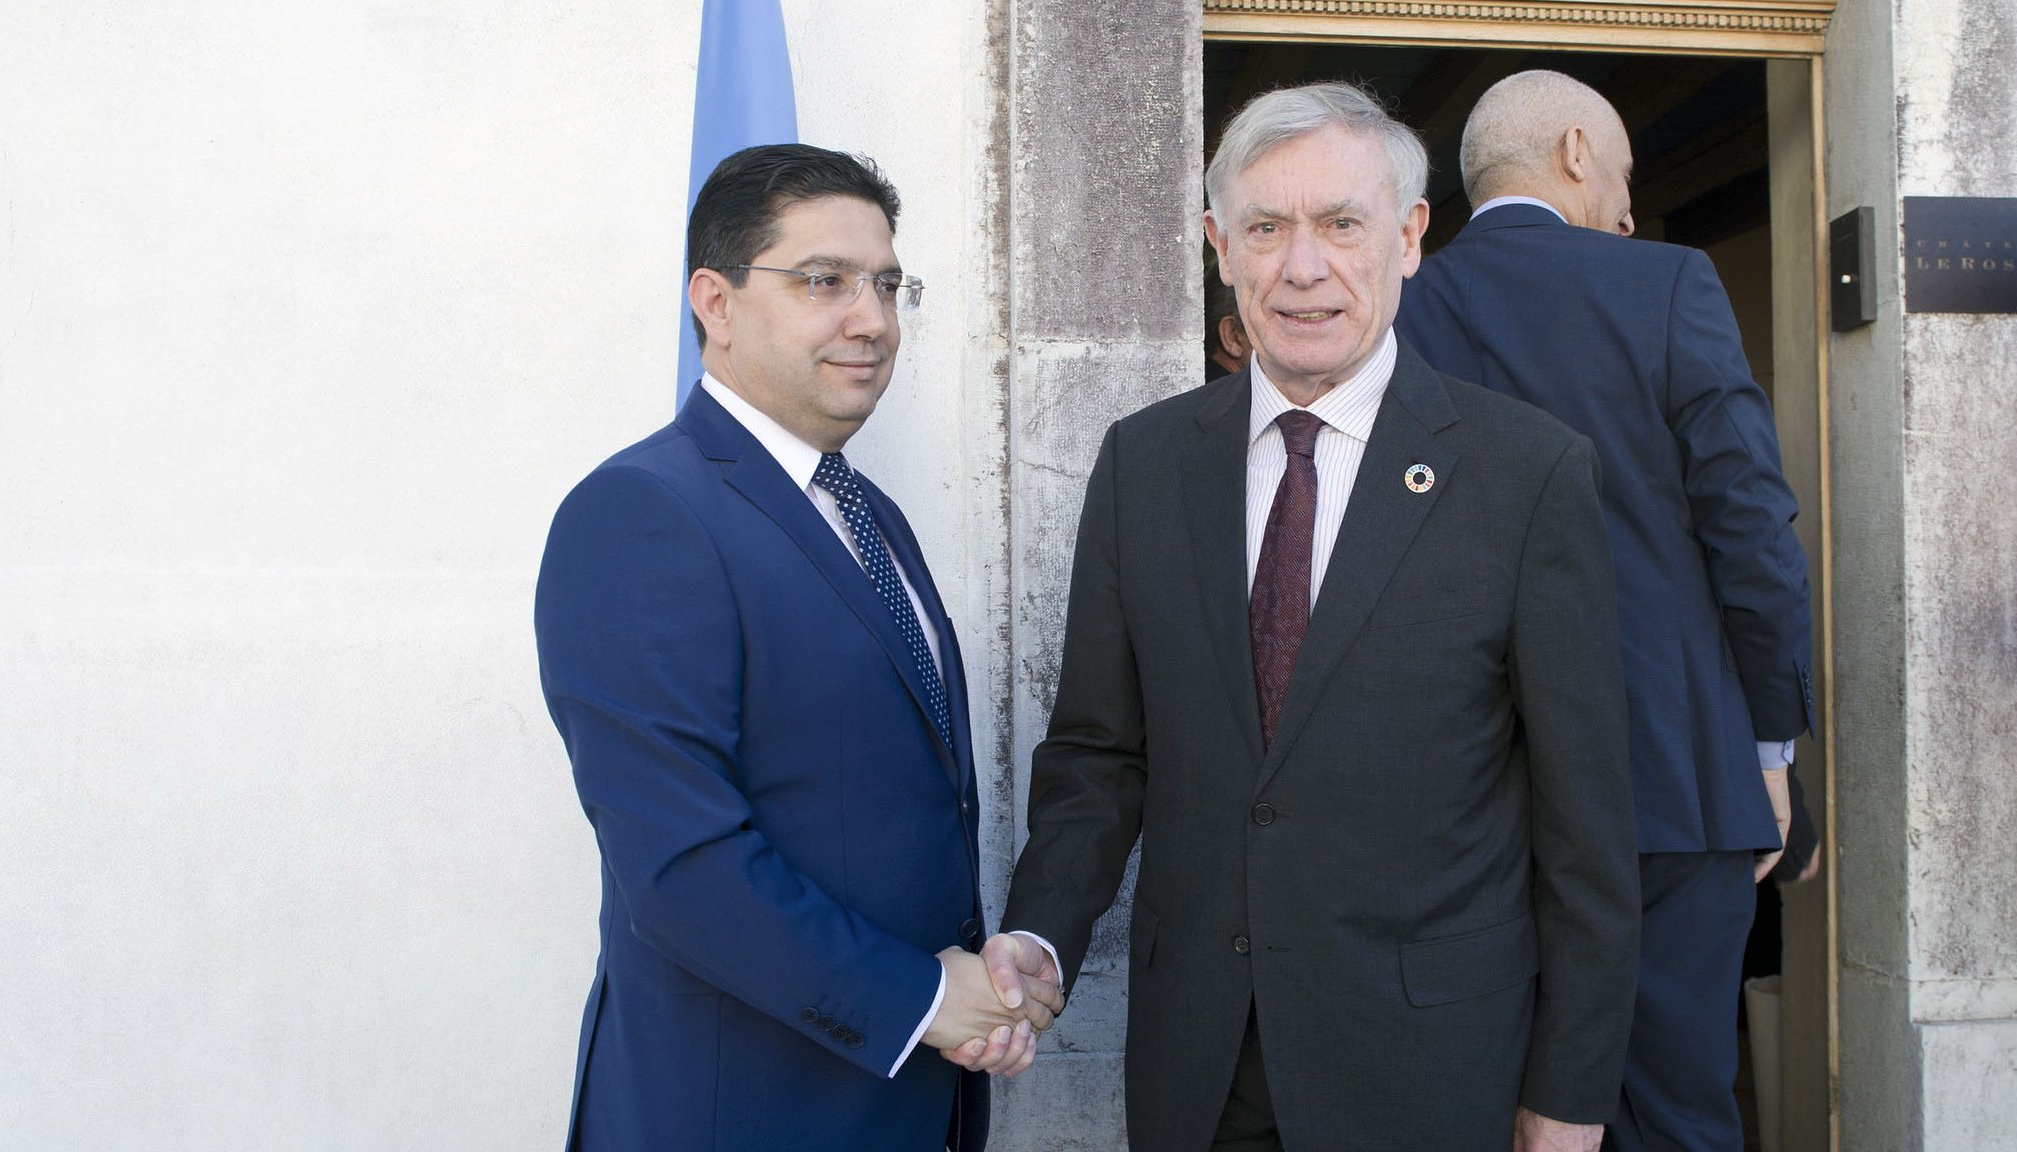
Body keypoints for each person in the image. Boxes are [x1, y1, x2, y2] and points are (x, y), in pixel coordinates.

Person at [986, 82, 1639, 1152]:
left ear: (1409, 237)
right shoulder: (1144, 463)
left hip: (1428, 1073)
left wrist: (1570, 1092)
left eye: (1340, 224)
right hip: (1200, 1072)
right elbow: (1100, 755)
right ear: (1218, 245)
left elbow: (1586, 823)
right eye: (1265, 228)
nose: (1302, 267)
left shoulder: (1526, 474)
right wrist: (1039, 938)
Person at [534, 143, 1060, 1152]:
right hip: (741, 1113)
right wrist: (917, 999)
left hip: (908, 1106)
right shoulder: (641, 513)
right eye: (824, 281)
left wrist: (976, 979)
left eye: (887, 285)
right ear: (716, 303)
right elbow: (679, 867)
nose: (871, 319)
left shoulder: (866, 513)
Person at [1394, 70, 1817, 1152]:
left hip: (1471, 802)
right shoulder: (1669, 282)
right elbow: (1751, 528)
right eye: (1624, 176)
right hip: (1672, 784)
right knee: (1678, 1111)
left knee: (1492, 1111)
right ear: (1577, 152)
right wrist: (1769, 747)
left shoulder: (1402, 308)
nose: (1628, 211)